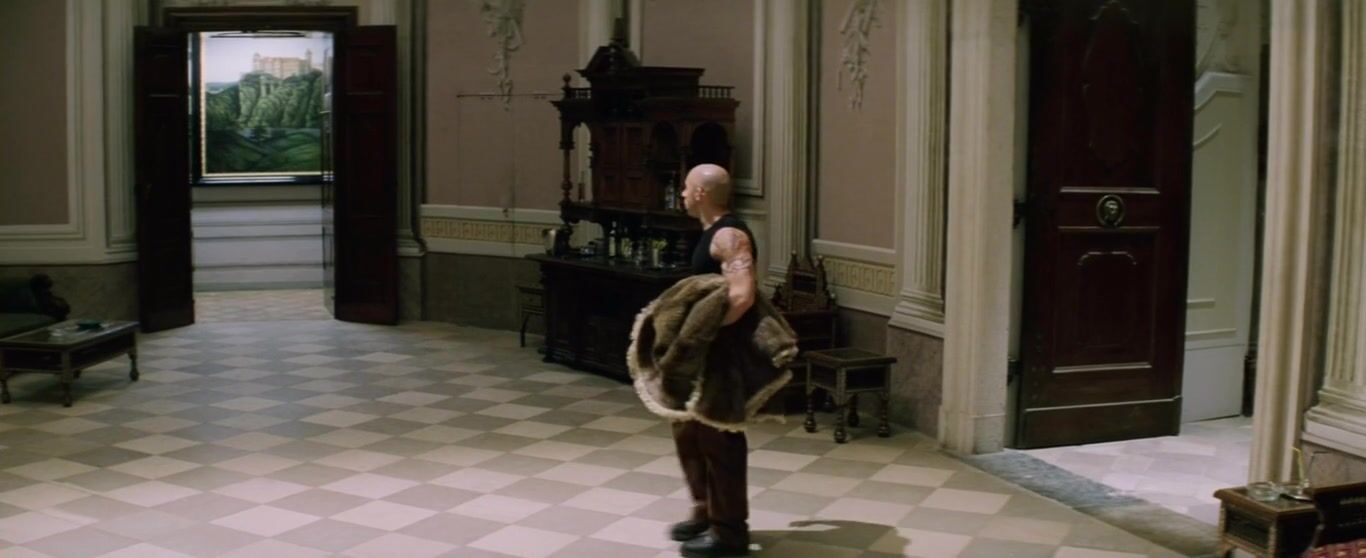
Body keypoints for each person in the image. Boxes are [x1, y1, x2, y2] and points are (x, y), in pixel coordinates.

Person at [669, 163, 757, 557]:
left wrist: (703, 331)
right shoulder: (710, 232)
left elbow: (742, 294)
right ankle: (705, 510)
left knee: (720, 437)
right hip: (702, 354)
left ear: (701, 193)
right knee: (687, 430)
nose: (682, 194)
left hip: (720, 353)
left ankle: (729, 531)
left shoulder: (728, 235)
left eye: (686, 187)